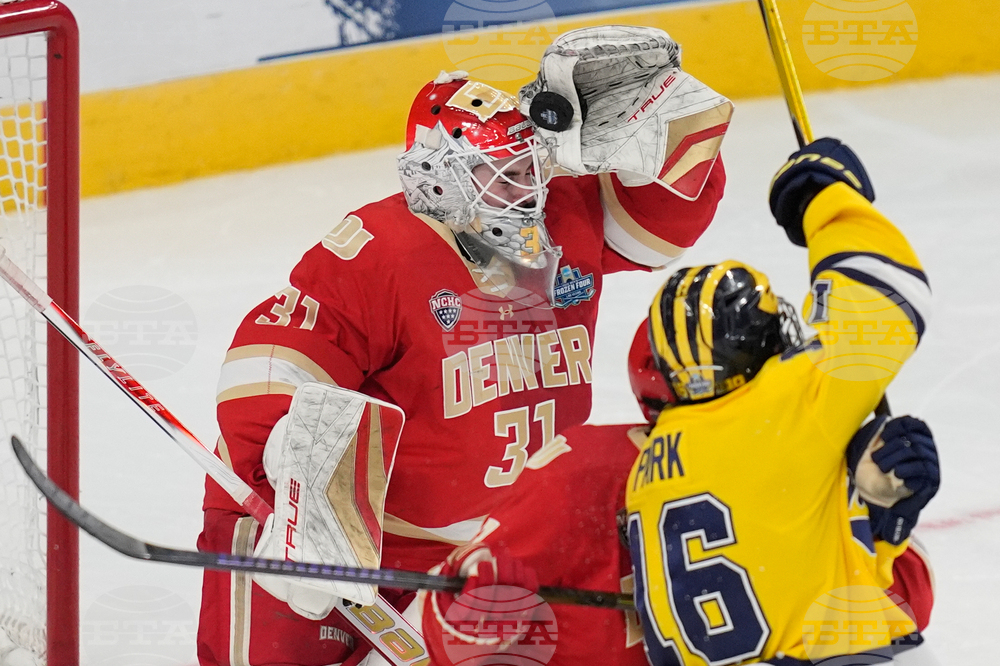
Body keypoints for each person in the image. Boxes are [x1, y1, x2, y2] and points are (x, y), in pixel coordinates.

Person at [196, 26, 730, 666]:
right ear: (438, 179)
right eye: (496, 175)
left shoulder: (561, 218)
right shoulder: (380, 250)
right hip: (337, 534)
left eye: (527, 166)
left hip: (491, 538)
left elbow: (664, 223)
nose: (525, 190)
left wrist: (663, 119)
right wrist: (294, 488)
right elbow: (271, 362)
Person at [417, 319, 936, 666]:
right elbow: (449, 636)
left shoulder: (800, 470)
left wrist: (884, 517)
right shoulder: (581, 479)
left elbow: (901, 611)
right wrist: (473, 620)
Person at [626, 137, 939, 665]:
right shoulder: (784, 408)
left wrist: (878, 527)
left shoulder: (651, 466)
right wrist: (826, 201)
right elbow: (888, 298)